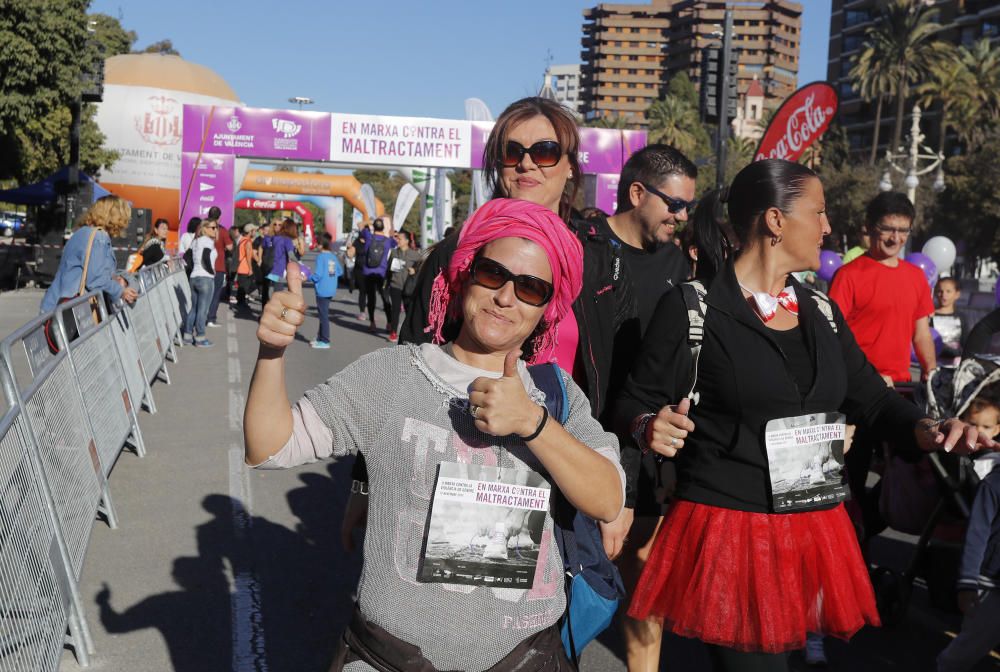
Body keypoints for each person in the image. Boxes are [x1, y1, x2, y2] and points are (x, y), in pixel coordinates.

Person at [614, 159, 996, 672]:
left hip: (809, 526)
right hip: (732, 529)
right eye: (818, 212)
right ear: (776, 221)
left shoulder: (820, 309)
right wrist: (648, 426)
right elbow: (632, 401)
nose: (828, 227)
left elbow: (873, 398)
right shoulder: (692, 307)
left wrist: (929, 429)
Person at [244, 198, 625, 671]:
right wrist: (270, 354)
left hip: (524, 657)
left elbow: (608, 499)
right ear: (466, 273)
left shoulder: (558, 395)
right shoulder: (389, 375)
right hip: (388, 657)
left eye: (530, 288)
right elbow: (269, 446)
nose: (506, 297)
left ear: (547, 309)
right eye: (493, 274)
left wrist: (533, 422)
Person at [587, 143, 698, 672]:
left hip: (647, 446)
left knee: (644, 587)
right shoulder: (582, 248)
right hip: (575, 437)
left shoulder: (685, 265)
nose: (681, 217)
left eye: (687, 208)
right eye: (674, 205)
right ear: (636, 193)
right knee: (562, 588)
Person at [829, 191, 938, 548]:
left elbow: (921, 333)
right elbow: (832, 337)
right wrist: (869, 375)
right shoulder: (849, 275)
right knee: (851, 476)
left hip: (900, 394)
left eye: (903, 231)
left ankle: (865, 530)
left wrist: (932, 372)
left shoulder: (915, 278)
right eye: (887, 229)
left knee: (915, 469)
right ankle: (849, 548)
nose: (895, 238)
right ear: (869, 229)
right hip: (857, 395)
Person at [939, 394, 1000, 672]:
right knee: (967, 650)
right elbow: (977, 533)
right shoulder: (993, 483)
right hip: (990, 585)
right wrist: (966, 584)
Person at [41, 195, 139, 313]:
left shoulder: (82, 232)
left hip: (57, 303)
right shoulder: (99, 237)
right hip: (70, 309)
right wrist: (121, 291)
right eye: (123, 217)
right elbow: (95, 279)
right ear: (115, 217)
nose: (125, 223)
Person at [183, 219, 218, 347]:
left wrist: (194, 269)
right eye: (212, 227)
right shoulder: (208, 241)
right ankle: (200, 338)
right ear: (205, 228)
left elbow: (186, 258)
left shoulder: (196, 241)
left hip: (194, 277)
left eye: (216, 227)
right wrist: (211, 271)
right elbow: (205, 256)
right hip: (205, 278)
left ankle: (187, 336)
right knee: (203, 310)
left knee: (194, 308)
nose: (215, 230)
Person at [359, 217, 397, 333]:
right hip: (382, 273)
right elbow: (395, 240)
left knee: (371, 298)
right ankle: (389, 323)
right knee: (385, 298)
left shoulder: (369, 237)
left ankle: (372, 323)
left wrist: (369, 222)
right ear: (383, 228)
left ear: (373, 227)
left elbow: (360, 224)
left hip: (368, 272)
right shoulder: (387, 241)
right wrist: (391, 228)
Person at [385, 230, 421, 343]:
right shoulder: (394, 252)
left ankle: (410, 333)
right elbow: (388, 269)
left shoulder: (415, 254)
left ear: (406, 241)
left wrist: (415, 270)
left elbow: (423, 266)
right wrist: (386, 283)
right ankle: (394, 333)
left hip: (408, 287)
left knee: (409, 310)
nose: (398, 240)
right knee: (395, 310)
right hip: (395, 285)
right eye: (397, 238)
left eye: (400, 238)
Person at [309, 233, 342, 349]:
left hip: (322, 289)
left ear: (321, 245)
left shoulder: (321, 257)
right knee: (323, 314)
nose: (316, 245)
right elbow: (339, 271)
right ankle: (319, 337)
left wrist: (308, 277)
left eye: (317, 243)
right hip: (331, 289)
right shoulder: (333, 256)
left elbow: (317, 275)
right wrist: (330, 277)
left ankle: (325, 340)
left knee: (323, 316)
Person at [204, 206, 232, 328]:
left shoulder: (202, 228)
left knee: (204, 293)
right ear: (219, 218)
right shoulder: (222, 230)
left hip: (204, 265)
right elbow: (230, 247)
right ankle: (211, 318)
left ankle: (200, 317)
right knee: (215, 293)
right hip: (218, 265)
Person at [933, 277, 965, 364]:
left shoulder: (961, 317)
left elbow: (966, 342)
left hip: (955, 364)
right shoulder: (929, 316)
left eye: (948, 291)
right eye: (940, 291)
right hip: (933, 364)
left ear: (957, 294)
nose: (943, 295)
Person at [266, 218, 299, 291]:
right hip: (280, 269)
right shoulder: (287, 240)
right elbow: (291, 256)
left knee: (276, 291)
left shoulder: (275, 238)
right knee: (279, 293)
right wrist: (300, 264)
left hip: (271, 267)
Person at [253, 220, 275, 305]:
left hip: (273, 266)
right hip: (264, 266)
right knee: (264, 285)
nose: (267, 232)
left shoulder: (273, 239)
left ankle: (280, 314)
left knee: (275, 289)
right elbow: (256, 250)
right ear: (262, 230)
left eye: (269, 230)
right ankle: (265, 306)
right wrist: (259, 260)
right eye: (266, 230)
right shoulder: (260, 240)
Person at [235, 223, 257, 309]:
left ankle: (240, 302)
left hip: (241, 266)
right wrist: (250, 269)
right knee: (246, 286)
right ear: (250, 231)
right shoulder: (247, 242)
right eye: (254, 231)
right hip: (245, 267)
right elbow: (248, 256)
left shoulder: (242, 240)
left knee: (242, 286)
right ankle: (241, 303)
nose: (255, 232)